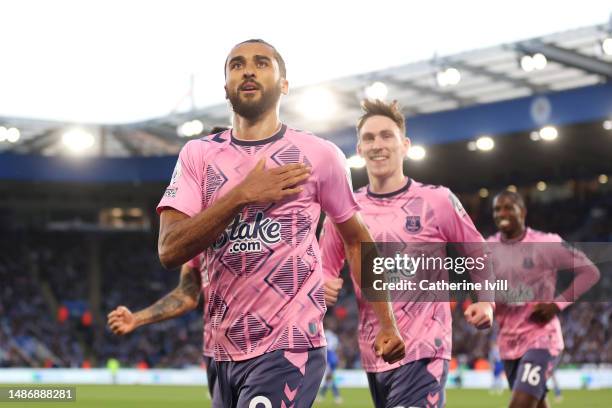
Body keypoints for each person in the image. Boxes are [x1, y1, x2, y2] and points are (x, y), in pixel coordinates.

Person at [156, 39, 405, 407]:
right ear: (226, 86)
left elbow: (357, 241)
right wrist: (241, 195)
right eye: (236, 65)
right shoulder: (198, 155)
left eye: (262, 63)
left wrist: (387, 322)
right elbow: (170, 248)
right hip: (223, 354)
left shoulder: (319, 156)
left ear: (284, 84)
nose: (249, 70)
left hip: (290, 347)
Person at [320, 99, 494, 408]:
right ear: (359, 150)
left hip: (426, 348)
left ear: (405, 145)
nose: (378, 145)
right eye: (369, 138)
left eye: (387, 135)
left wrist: (487, 301)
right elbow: (322, 270)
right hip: (376, 352)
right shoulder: (344, 214)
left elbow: (477, 250)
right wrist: (323, 284)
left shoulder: (437, 200)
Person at [488, 190, 600, 408]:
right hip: (508, 344)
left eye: (509, 207)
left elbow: (590, 272)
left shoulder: (546, 243)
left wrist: (557, 304)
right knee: (537, 404)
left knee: (519, 405)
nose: (502, 213)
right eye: (497, 209)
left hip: (541, 338)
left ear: (523, 212)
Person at [106, 258, 221, 406]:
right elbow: (187, 294)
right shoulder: (198, 240)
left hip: (258, 351)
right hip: (215, 354)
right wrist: (136, 319)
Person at [316, 325, 342, 404]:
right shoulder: (334, 337)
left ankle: (336, 396)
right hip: (332, 358)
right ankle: (324, 396)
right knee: (329, 380)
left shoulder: (325, 334)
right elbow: (337, 348)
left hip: (329, 358)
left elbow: (326, 347)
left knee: (329, 379)